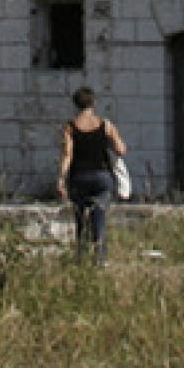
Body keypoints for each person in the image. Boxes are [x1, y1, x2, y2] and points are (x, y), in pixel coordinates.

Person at [57, 86, 127, 265]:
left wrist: (61, 179)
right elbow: (121, 149)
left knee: (80, 219)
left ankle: (81, 257)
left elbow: (67, 154)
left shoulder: (70, 127)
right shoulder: (106, 125)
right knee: (99, 216)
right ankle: (100, 259)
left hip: (79, 177)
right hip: (101, 176)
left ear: (76, 104)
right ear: (93, 103)